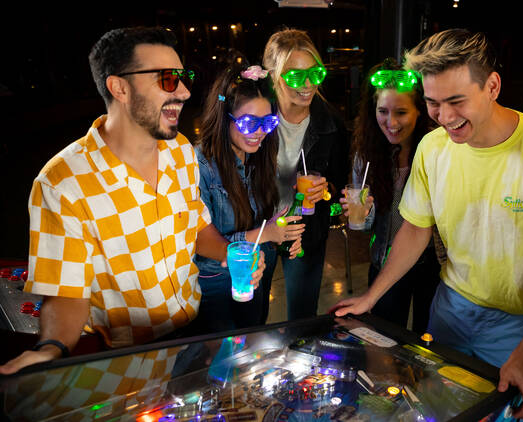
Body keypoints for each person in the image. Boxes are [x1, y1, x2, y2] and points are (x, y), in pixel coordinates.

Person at [331, 29, 523, 419]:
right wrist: (372, 296)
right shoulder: (433, 147)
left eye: (457, 101)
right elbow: (417, 228)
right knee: (435, 407)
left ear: (492, 86)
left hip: (516, 323)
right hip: (450, 306)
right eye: (434, 103)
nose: (446, 117)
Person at [0, 27, 264, 375]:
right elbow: (65, 295)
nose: (184, 92)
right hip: (124, 362)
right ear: (119, 87)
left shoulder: (181, 150)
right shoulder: (63, 183)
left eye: (183, 78)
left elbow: (197, 226)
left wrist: (233, 255)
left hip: (196, 338)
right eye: (168, 80)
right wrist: (52, 348)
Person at [191, 63, 304, 334]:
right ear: (224, 117)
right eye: (248, 123)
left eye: (267, 122)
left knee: (250, 352)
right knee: (219, 363)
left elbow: (265, 224)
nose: (259, 132)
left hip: (256, 275)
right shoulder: (199, 164)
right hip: (214, 284)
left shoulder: (259, 160)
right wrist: (265, 235)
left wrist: (282, 234)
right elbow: (199, 242)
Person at [342, 58, 440, 334]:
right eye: (382, 111)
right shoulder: (367, 152)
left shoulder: (436, 151)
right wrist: (362, 213)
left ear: (419, 111)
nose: (391, 122)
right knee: (383, 338)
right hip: (385, 260)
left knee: (428, 340)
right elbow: (366, 223)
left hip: (431, 263)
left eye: (401, 112)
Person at [260, 28, 349, 321]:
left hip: (305, 232)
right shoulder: (255, 116)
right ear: (273, 75)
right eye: (296, 76)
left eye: (316, 73)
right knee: (249, 319)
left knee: (302, 320)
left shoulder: (331, 123)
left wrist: (326, 189)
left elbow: (338, 183)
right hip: (258, 229)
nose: (308, 84)